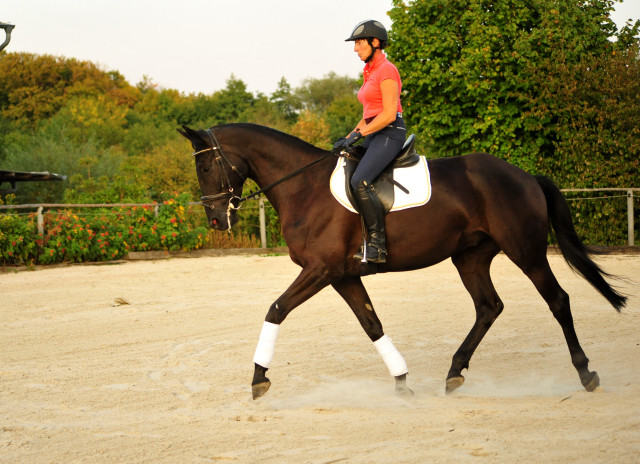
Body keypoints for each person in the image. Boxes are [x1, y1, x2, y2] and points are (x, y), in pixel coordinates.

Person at [334, 19, 406, 264]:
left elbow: (387, 114)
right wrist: (347, 137)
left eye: (359, 42)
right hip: (374, 132)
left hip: (389, 133)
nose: (355, 48)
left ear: (375, 43)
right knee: (343, 166)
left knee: (360, 181)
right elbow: (368, 115)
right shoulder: (370, 72)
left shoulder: (387, 70)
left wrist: (359, 135)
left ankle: (377, 246)